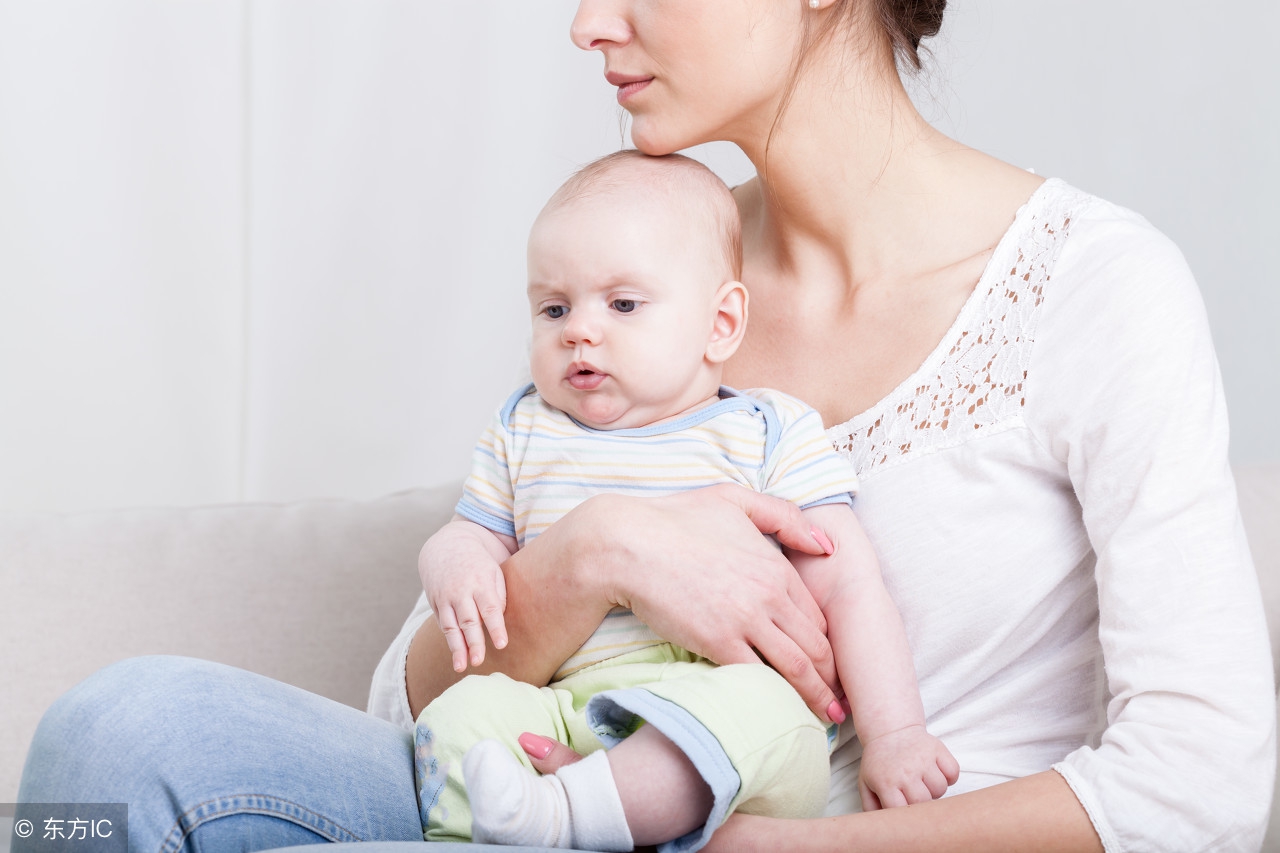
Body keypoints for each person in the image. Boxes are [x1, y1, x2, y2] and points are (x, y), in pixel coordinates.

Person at [20, 1, 1275, 851]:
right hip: (549, 799)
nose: (585, 22)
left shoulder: (1090, 285)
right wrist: (597, 551)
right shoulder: (641, 271)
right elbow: (405, 713)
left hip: (810, 828)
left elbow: (1203, 775)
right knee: (119, 731)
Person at [413, 149, 957, 852]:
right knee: (466, 712)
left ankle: (574, 812)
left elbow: (849, 581)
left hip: (718, 714)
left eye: (623, 304)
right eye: (554, 307)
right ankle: (543, 813)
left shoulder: (765, 431)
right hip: (565, 706)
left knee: (760, 706)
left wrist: (896, 733)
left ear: (721, 323)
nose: (579, 328)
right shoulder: (525, 428)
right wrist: (452, 561)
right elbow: (471, 534)